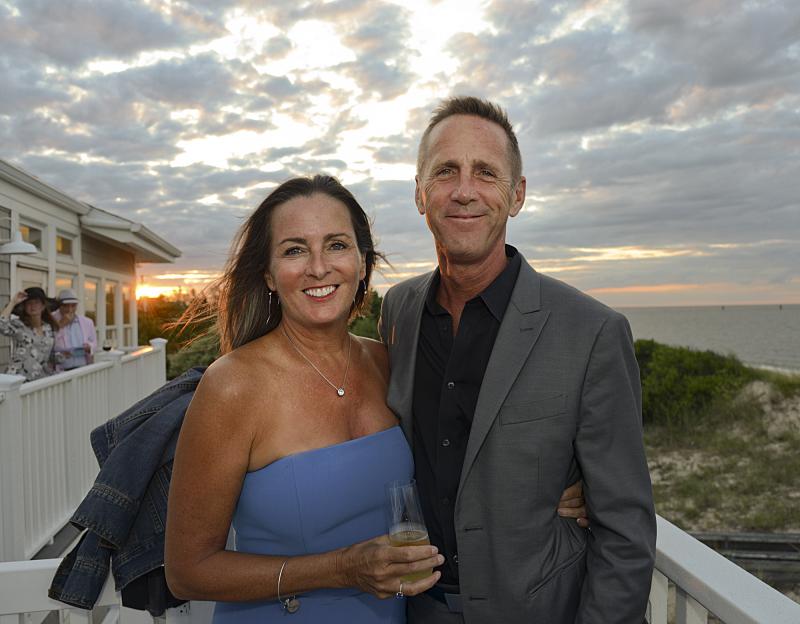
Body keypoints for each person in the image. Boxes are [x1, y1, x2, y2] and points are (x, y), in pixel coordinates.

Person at [165, 175, 586, 623]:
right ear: (268, 273)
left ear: (363, 263)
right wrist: (343, 570)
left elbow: (458, 457)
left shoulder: (390, 362)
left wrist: (553, 490)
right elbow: (188, 571)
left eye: (337, 245)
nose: (318, 267)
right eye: (294, 250)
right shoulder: (232, 386)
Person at [379, 97, 656, 623]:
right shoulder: (400, 310)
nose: (464, 190)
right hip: (419, 609)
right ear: (420, 193)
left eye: (486, 172)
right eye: (445, 172)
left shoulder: (593, 332)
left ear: (517, 195)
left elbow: (625, 530)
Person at [0, 286, 57, 381]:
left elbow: (47, 356)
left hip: (39, 379)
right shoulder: (19, 325)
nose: (33, 306)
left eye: (36, 302)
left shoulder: (48, 328)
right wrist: (13, 302)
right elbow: (1, 325)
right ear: (25, 307)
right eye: (29, 303)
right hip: (18, 379)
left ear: (43, 306)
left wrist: (61, 357)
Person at [52, 288, 97, 371]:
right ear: (59, 306)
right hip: (61, 370)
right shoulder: (51, 319)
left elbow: (94, 343)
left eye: (73, 305)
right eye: (66, 306)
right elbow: (47, 342)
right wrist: (60, 325)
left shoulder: (87, 322)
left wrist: (89, 347)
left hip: (82, 367)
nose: (70, 309)